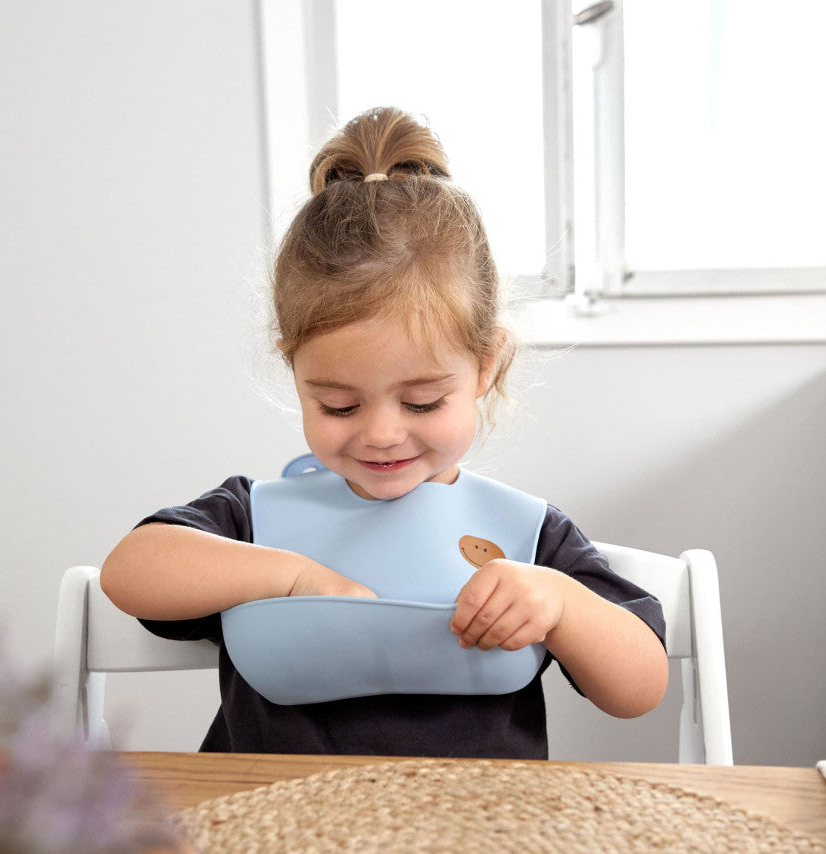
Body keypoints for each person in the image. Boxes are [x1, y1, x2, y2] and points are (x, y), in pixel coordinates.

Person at [100, 106, 668, 759]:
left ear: (485, 366)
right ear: (295, 370)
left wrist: (563, 604)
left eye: (423, 401)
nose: (381, 434)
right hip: (274, 823)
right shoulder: (254, 519)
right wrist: (296, 580)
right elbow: (129, 571)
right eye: (339, 406)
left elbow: (640, 687)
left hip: (472, 828)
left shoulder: (525, 533)